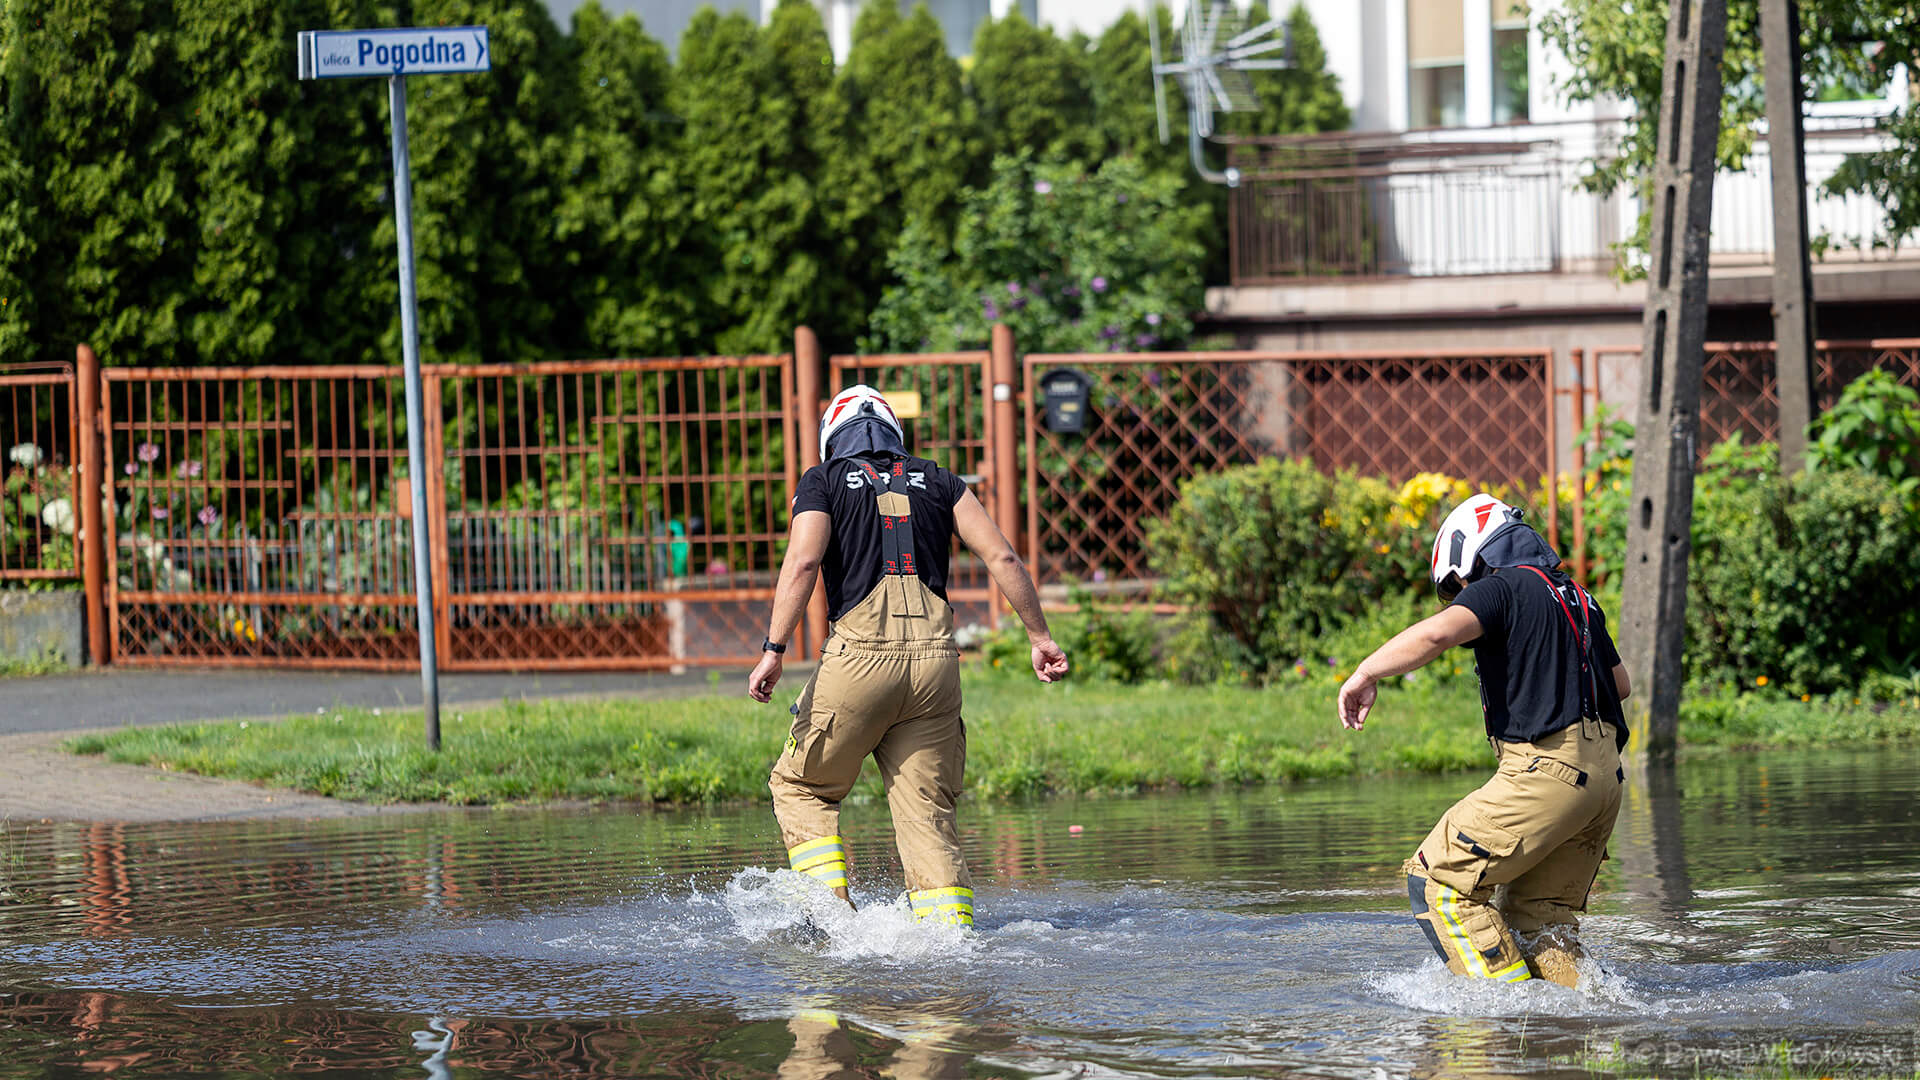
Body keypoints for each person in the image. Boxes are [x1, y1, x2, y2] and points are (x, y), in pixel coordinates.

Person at [748, 384, 1069, 928]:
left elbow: (803, 563)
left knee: (802, 786)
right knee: (926, 811)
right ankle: (949, 940)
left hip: (858, 662)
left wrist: (773, 649)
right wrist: (1040, 638)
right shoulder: (941, 480)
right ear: (895, 433)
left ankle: (830, 922)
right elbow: (1002, 556)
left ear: (832, 439)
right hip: (936, 670)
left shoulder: (822, 480)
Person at [1336, 494, 1630, 987]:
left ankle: (1500, 1016)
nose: (1462, 595)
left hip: (1550, 773)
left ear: (1472, 553)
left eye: (1458, 585)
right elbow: (1620, 685)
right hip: (1605, 781)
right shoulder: (1579, 597)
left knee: (1438, 881)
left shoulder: (1503, 585)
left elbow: (1436, 635)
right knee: (1538, 918)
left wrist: (1366, 672)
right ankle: (1588, 1016)